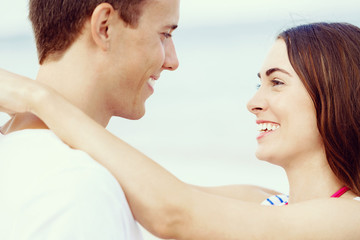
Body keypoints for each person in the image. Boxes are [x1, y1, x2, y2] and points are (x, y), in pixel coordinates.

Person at [1, 22, 360, 239]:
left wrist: (39, 97)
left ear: (335, 93)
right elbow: (138, 184)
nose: (253, 103)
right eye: (258, 84)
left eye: (277, 83)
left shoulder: (352, 218)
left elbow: (173, 212)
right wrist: (19, 132)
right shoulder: (259, 200)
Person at [0, 0, 180, 239]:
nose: (173, 61)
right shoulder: (77, 188)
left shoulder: (13, 151)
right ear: (105, 27)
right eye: (164, 34)